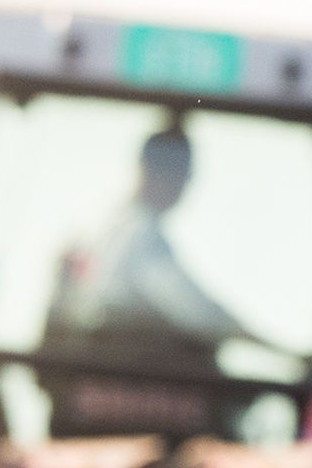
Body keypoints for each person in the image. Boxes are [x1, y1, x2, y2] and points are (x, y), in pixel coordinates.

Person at [53, 124, 251, 358]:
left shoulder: (97, 225)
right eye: (183, 175)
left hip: (86, 362)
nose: (185, 186)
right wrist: (261, 343)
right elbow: (198, 313)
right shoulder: (141, 235)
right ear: (158, 173)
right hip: (122, 368)